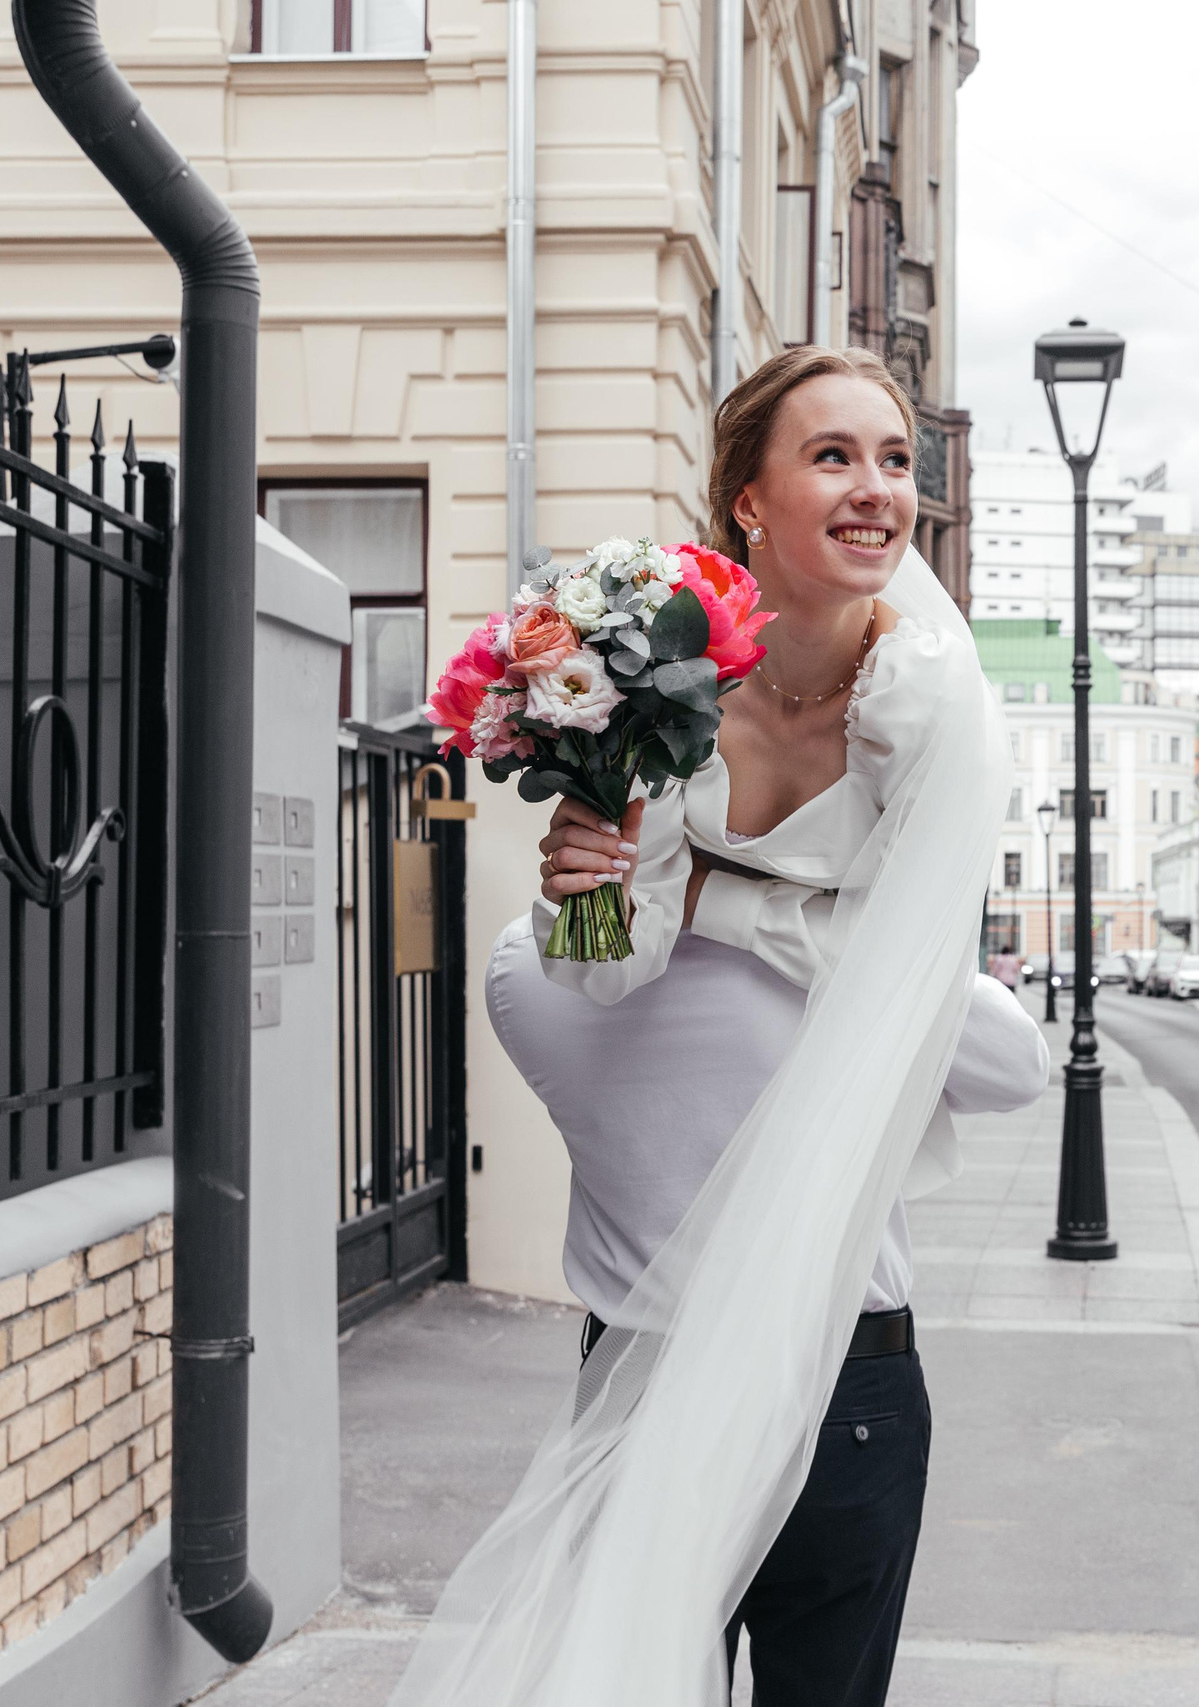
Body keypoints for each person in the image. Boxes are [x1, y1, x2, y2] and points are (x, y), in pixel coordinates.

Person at [397, 346, 1046, 1707]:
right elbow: (595, 974)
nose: (876, 490)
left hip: (842, 1385)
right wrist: (584, 881)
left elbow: (999, 1050)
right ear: (745, 498)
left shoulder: (935, 708)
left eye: (895, 460)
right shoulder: (642, 673)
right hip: (646, 1378)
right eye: (833, 456)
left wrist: (723, 906)